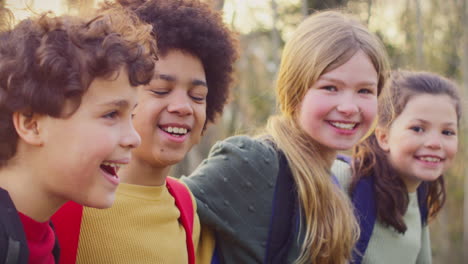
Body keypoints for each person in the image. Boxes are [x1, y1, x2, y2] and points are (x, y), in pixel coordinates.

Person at [182, 10, 390, 264]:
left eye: (364, 91)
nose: (349, 106)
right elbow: (162, 211)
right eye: (330, 88)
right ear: (295, 91)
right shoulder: (254, 161)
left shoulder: (334, 179)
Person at [51, 0, 238, 263]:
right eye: (161, 90)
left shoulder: (185, 206)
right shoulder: (62, 199)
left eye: (197, 96)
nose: (183, 107)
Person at [0, 6, 156, 264]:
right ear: (31, 124)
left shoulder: (42, 239)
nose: (134, 138)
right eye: (111, 114)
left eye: (132, 116)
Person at [332, 71, 461, 264]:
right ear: (384, 137)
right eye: (418, 128)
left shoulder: (420, 198)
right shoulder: (340, 179)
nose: (435, 143)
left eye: (447, 132)